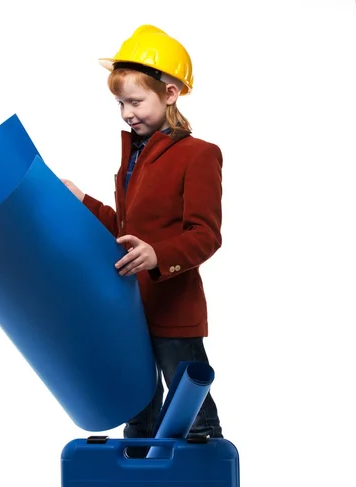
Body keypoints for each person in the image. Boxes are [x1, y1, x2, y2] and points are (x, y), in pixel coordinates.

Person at [62, 25, 224, 453]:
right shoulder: (134, 155)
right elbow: (126, 230)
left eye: (135, 101)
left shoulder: (199, 154)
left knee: (196, 423)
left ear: (170, 93)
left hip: (174, 308)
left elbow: (205, 235)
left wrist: (158, 256)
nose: (126, 113)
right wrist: (82, 201)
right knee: (140, 415)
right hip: (130, 308)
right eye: (120, 103)